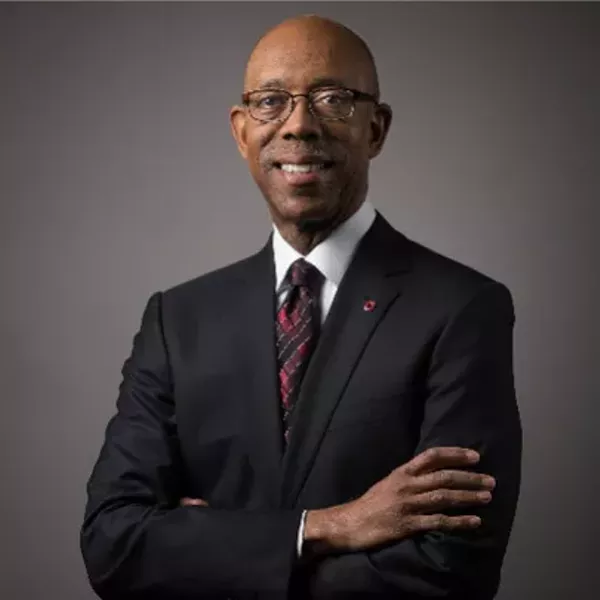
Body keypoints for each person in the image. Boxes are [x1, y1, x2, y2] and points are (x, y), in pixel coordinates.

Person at [81, 14, 522, 600]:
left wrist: (211, 552)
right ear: (241, 132)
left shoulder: (462, 309)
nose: (298, 125)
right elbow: (113, 544)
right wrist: (330, 527)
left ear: (376, 129)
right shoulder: (176, 321)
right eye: (270, 101)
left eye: (332, 99)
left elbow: (450, 568)